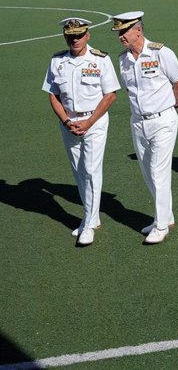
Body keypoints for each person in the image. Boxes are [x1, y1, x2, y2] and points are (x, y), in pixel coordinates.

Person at [111, 11, 178, 244]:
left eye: (124, 31)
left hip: (163, 120)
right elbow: (128, 90)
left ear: (138, 30)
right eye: (118, 33)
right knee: (147, 173)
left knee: (158, 170)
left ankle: (161, 225)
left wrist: (171, 106)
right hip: (137, 121)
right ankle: (166, 216)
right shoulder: (123, 59)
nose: (121, 36)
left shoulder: (161, 52)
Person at [42, 18, 120, 246]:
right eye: (70, 36)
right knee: (78, 171)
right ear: (65, 37)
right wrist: (66, 121)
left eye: (79, 35)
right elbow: (52, 94)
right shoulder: (57, 61)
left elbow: (111, 95)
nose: (74, 39)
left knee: (92, 170)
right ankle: (91, 217)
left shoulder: (100, 60)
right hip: (69, 123)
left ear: (88, 35)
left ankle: (88, 225)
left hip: (94, 122)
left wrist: (88, 122)